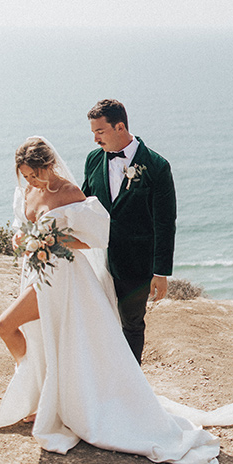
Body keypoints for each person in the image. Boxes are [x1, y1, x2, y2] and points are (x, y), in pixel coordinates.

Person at [0, 136, 233, 463]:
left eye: (34, 174)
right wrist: (24, 237)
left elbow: (95, 239)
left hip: (63, 278)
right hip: (35, 273)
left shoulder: (71, 194)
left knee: (8, 326)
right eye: (25, 176)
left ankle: (47, 398)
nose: (29, 181)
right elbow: (22, 225)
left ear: (48, 166)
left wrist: (54, 239)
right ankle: (42, 393)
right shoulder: (28, 191)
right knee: (40, 338)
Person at [82, 98, 176, 363]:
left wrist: (161, 272)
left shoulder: (157, 167)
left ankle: (130, 389)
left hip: (137, 265)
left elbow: (165, 223)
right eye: (93, 133)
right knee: (100, 323)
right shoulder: (92, 160)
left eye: (100, 132)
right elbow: (84, 203)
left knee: (132, 325)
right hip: (98, 261)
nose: (95, 140)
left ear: (120, 127)